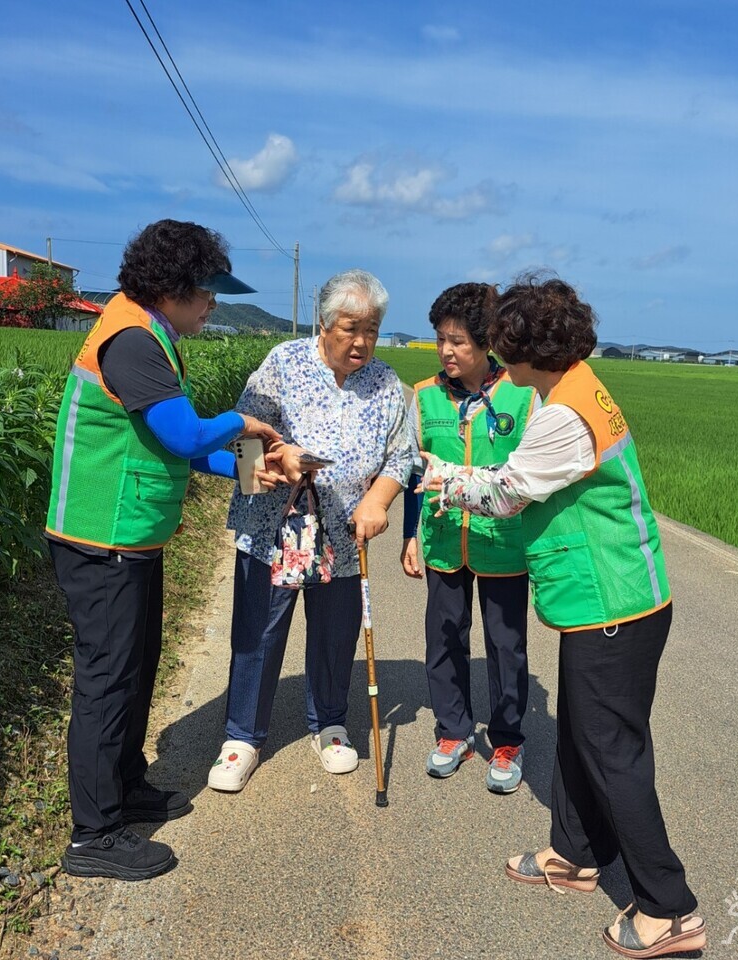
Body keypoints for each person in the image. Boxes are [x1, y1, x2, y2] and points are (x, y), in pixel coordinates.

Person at [421, 275, 705, 958]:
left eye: (501, 346)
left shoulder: (562, 415)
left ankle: (669, 908)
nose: (497, 359)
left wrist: (441, 477)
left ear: (527, 351)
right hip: (612, 600)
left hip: (613, 605)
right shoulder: (575, 388)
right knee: (583, 733)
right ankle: (575, 855)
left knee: (614, 753)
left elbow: (507, 493)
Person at [46, 219, 297, 881]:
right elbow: (185, 435)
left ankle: (124, 785)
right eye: (206, 291)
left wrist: (247, 470)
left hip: (129, 537)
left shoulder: (149, 332)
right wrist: (244, 423)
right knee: (108, 681)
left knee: (135, 668)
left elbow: (163, 441)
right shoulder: (131, 339)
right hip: (99, 538)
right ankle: (93, 835)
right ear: (171, 287)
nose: (211, 304)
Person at [207, 268, 414, 792]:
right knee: (258, 630)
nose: (362, 341)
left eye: (372, 329)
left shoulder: (386, 383)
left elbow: (401, 455)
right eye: (350, 328)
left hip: (344, 534)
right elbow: (241, 435)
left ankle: (330, 723)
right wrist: (272, 462)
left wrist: (377, 500)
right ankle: (242, 736)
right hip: (273, 525)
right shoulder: (284, 363)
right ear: (324, 323)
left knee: (336, 633)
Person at [400, 283, 536, 793]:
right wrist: (411, 535)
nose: (446, 351)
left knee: (506, 645)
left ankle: (507, 739)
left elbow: (528, 478)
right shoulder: (424, 396)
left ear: (486, 342)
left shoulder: (522, 395)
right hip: (442, 539)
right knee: (444, 638)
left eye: (457, 341)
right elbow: (415, 473)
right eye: (440, 339)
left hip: (502, 542)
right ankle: (453, 731)